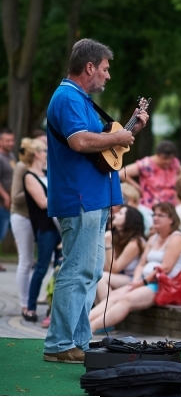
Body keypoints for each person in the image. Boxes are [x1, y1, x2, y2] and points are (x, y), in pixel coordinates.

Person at [45, 38, 148, 364]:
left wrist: (128, 131)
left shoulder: (81, 100)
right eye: (104, 69)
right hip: (79, 197)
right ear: (89, 67)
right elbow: (79, 141)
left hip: (91, 196)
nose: (107, 76)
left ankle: (77, 341)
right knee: (77, 270)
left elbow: (103, 149)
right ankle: (59, 344)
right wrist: (118, 136)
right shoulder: (67, 97)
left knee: (89, 272)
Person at [89, 202, 181, 333]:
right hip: (144, 281)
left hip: (162, 285)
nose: (155, 218)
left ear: (171, 219)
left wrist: (141, 283)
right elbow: (141, 264)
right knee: (112, 298)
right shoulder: (153, 238)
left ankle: (91, 328)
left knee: (126, 299)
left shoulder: (176, 238)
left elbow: (165, 269)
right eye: (154, 214)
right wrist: (136, 281)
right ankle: (82, 324)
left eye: (160, 215)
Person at [21, 138, 62, 323]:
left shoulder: (48, 173)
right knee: (41, 267)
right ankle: (30, 307)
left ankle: (53, 309)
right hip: (45, 227)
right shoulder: (29, 176)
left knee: (59, 268)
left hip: (59, 226)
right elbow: (43, 202)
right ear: (37, 154)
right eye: (44, 151)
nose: (47, 153)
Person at [94, 205, 146, 306]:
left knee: (101, 277)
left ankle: (107, 314)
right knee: (96, 276)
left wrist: (108, 243)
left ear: (129, 220)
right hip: (122, 277)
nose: (116, 215)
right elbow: (106, 266)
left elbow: (114, 269)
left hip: (135, 279)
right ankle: (104, 315)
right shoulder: (118, 238)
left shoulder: (135, 242)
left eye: (121, 213)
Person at [11, 138, 36, 318]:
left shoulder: (39, 167)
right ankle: (23, 303)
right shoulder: (22, 167)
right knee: (25, 260)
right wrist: (34, 189)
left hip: (36, 218)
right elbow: (15, 197)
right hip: (21, 216)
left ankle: (34, 298)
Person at [121, 140, 181, 209]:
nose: (168, 161)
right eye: (165, 158)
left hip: (171, 205)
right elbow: (123, 173)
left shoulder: (174, 163)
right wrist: (138, 188)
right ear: (158, 155)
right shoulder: (146, 164)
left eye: (170, 158)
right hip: (151, 205)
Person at [0, 127, 16, 246]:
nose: (11, 143)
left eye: (12, 140)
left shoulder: (10, 156)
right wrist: (5, 197)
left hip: (11, 203)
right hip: (2, 203)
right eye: (7, 141)